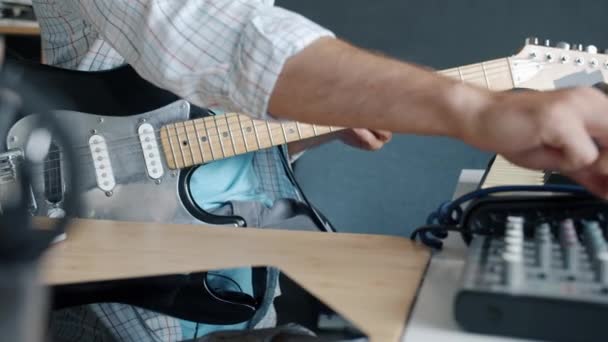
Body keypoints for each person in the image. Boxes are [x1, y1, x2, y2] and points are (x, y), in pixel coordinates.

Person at [31, 0, 608, 341]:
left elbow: (198, 119)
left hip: (216, 276)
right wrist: (477, 107)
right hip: (79, 254)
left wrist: (310, 123)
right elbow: (203, 37)